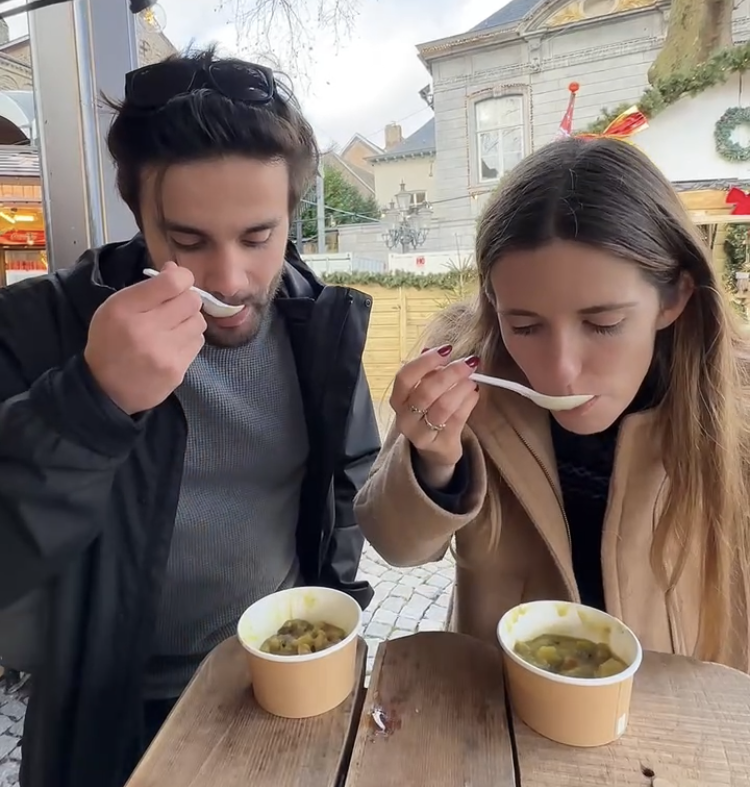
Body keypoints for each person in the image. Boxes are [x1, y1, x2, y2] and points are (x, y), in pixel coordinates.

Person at [0, 48, 380, 787]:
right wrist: (92, 400)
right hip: (106, 720)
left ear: (291, 215)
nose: (232, 281)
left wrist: (337, 625)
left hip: (276, 691)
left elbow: (346, 495)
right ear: (138, 215)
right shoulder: (36, 328)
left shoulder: (319, 328)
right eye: (188, 240)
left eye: (258, 236)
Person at [355, 135, 750, 673]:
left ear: (674, 297)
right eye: (526, 325)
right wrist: (433, 465)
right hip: (499, 712)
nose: (560, 368)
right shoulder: (470, 371)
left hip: (672, 722)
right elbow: (398, 548)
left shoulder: (732, 403)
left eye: (603, 324)